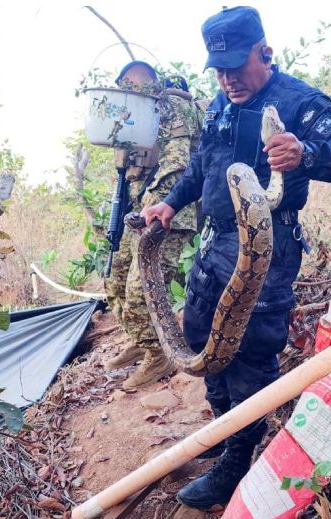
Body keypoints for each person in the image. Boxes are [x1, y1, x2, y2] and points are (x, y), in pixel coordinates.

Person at [141, 6, 331, 509]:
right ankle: (225, 427)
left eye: (237, 66)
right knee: (201, 337)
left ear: (264, 51)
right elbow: (201, 165)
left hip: (269, 250)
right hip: (214, 243)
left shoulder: (299, 100)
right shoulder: (220, 102)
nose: (228, 79)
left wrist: (305, 153)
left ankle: (238, 460)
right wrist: (170, 202)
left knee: (248, 356)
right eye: (218, 69)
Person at [105, 61, 203, 388]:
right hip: (139, 214)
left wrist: (152, 209)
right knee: (115, 283)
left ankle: (158, 356)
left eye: (134, 87)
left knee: (139, 294)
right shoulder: (137, 116)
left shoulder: (173, 108)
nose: (128, 94)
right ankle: (144, 338)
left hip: (171, 214)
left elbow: (177, 167)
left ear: (149, 85)